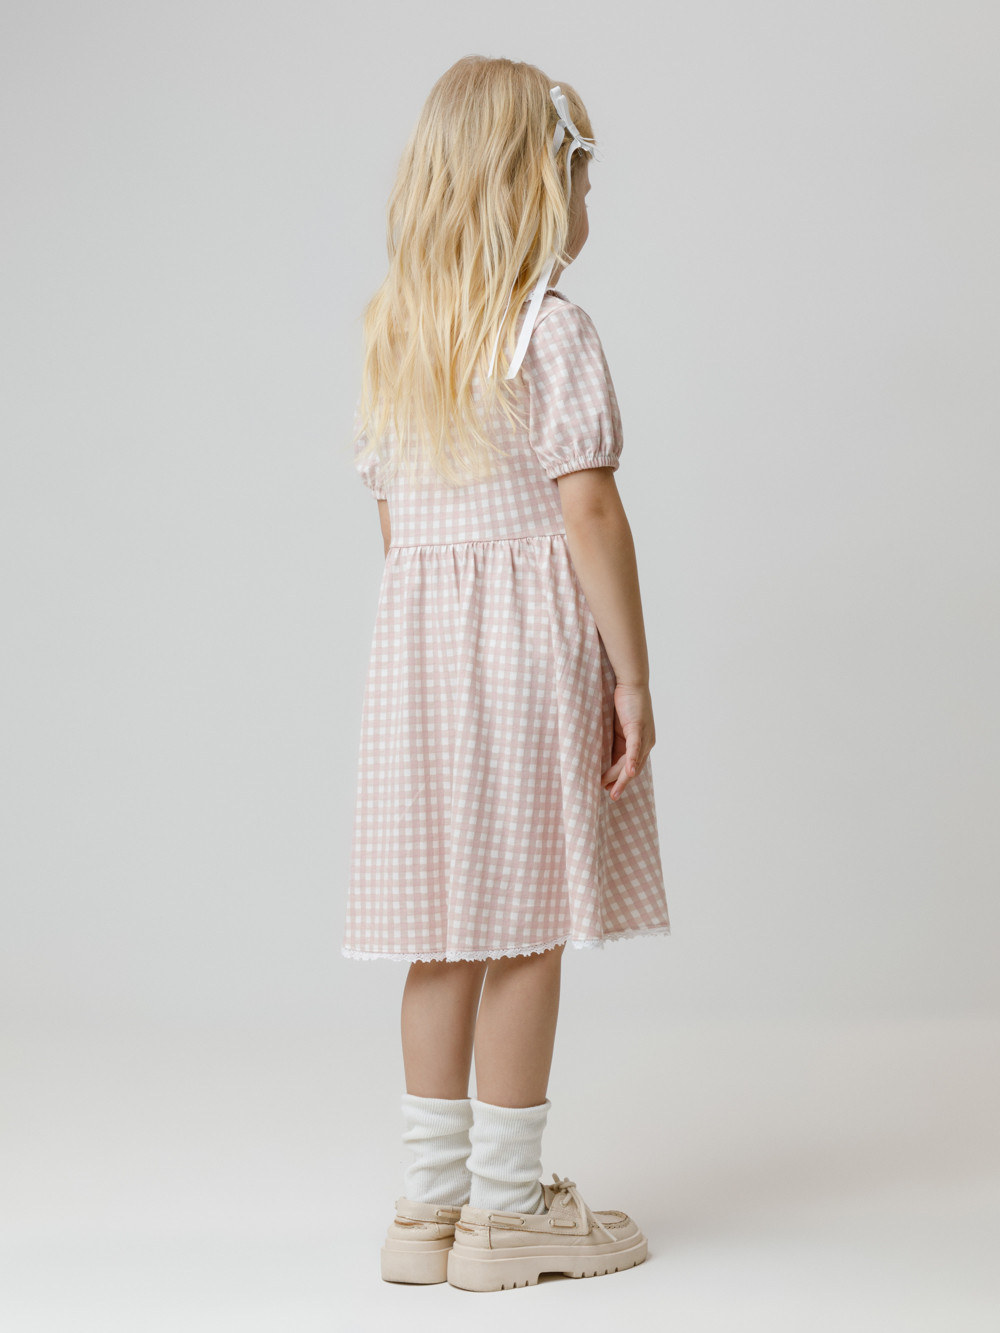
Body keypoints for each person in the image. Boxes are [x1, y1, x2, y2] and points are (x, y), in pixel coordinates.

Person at [342, 55, 672, 1292]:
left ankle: (424, 1211)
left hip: (419, 662)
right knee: (527, 927)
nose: (590, 205)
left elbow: (394, 530)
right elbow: (588, 511)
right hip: (527, 654)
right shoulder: (553, 326)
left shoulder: (398, 333)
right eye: (582, 178)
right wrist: (630, 677)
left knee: (443, 931)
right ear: (538, 186)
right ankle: (509, 1208)